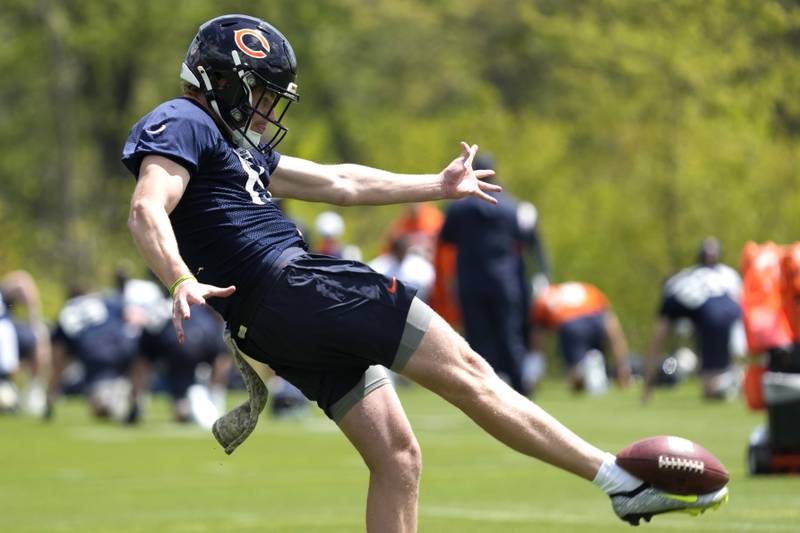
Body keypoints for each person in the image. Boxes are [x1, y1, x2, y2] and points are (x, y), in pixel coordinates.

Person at [122, 14, 727, 529]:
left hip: (273, 323)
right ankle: (616, 478)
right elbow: (149, 205)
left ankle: (614, 479)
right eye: (256, 92)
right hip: (301, 288)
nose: (263, 109)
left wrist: (436, 186)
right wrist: (177, 275)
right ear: (219, 79)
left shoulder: (236, 148)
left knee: (398, 456)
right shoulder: (184, 119)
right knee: (471, 373)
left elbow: (340, 181)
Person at [437, 153, 550, 396]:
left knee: (477, 337)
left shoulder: (458, 209)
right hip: (505, 281)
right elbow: (529, 242)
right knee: (510, 335)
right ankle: (521, 391)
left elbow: (445, 238)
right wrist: (543, 273)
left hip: (470, 281)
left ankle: (483, 391)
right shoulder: (511, 208)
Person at [644, 237, 745, 402]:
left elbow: (659, 335)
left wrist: (647, 386)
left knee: (711, 389)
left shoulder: (679, 280)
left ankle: (728, 382)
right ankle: (737, 377)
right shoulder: (730, 274)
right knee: (721, 368)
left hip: (714, 316)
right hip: (736, 315)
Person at [130, 293, 231, 428]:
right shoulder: (200, 307)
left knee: (181, 409)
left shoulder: (158, 308)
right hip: (202, 336)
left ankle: (191, 400)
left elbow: (142, 361)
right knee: (221, 357)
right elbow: (222, 358)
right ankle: (211, 400)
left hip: (178, 343)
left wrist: (138, 403)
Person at [47, 286, 141, 420]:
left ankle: (110, 399)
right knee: (134, 363)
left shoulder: (68, 309)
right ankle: (134, 394)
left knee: (100, 409)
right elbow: (134, 317)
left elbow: (58, 361)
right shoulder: (108, 301)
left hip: (95, 352)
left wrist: (49, 400)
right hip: (125, 343)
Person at [530, 281, 631, 394]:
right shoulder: (590, 289)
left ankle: (589, 376)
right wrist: (622, 363)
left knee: (575, 379)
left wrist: (533, 374)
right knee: (597, 358)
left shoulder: (542, 299)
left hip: (571, 323)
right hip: (597, 320)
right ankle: (597, 372)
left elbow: (538, 340)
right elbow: (611, 325)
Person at [0, 270, 51, 414]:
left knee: (39, 334)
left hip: (6, 332)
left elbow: (23, 283)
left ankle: (32, 390)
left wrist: (35, 321)